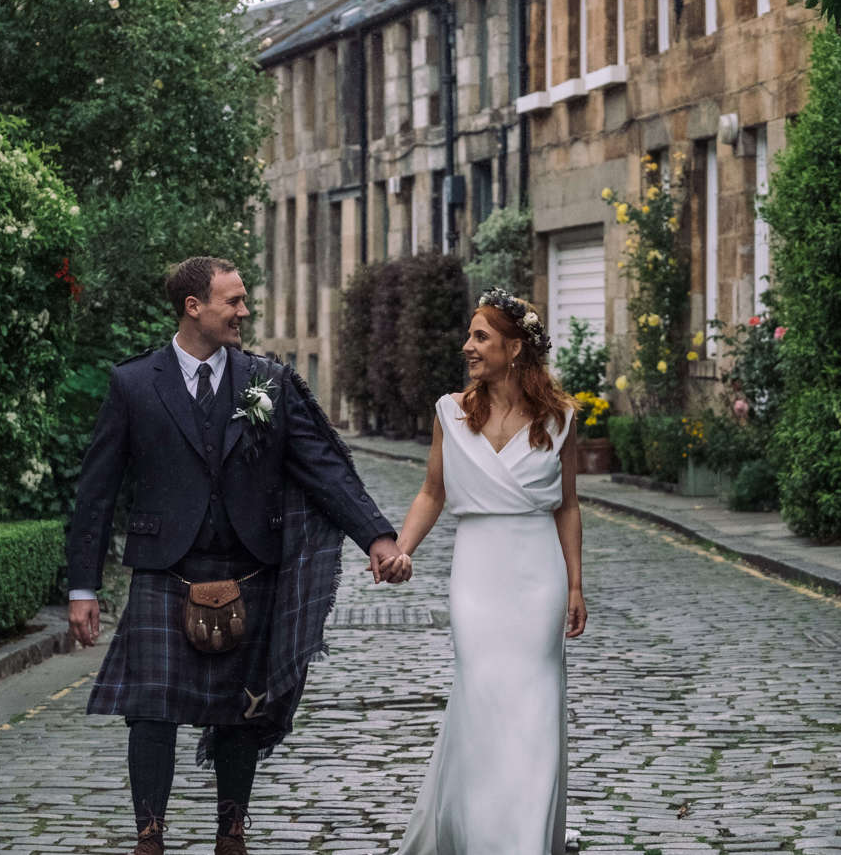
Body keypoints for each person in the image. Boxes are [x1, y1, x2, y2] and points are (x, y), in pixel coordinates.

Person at [65, 256, 412, 855]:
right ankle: (149, 835)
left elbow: (322, 466)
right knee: (150, 710)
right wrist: (82, 588)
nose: (244, 312)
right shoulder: (135, 383)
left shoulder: (267, 382)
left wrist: (378, 536)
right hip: (164, 570)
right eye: (233, 302)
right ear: (193, 307)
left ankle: (231, 832)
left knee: (241, 711)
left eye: (244, 301)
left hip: (249, 567)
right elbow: (97, 492)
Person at [391, 288, 588, 854]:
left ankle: (523, 838)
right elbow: (432, 491)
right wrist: (403, 548)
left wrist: (575, 584)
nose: (468, 346)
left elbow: (568, 506)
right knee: (480, 694)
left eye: (481, 336)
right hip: (476, 573)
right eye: (470, 335)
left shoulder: (560, 418)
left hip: (537, 576)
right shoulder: (451, 413)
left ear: (514, 347)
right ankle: (475, 832)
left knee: (532, 701)